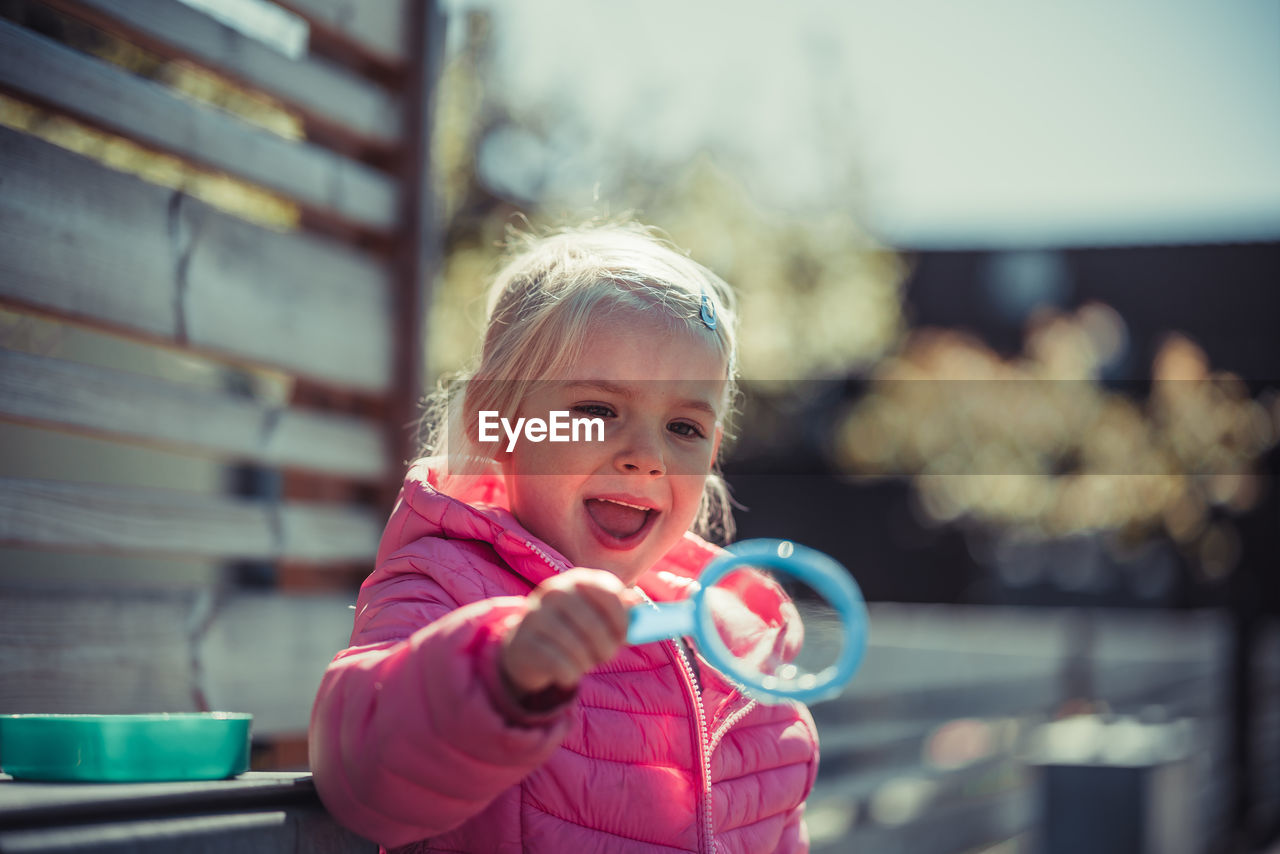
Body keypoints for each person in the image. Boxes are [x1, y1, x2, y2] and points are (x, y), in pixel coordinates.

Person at [309, 222, 819, 853]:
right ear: (496, 424)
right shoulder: (445, 583)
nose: (646, 457)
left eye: (683, 427)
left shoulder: (736, 644)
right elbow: (364, 775)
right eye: (597, 410)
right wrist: (500, 670)